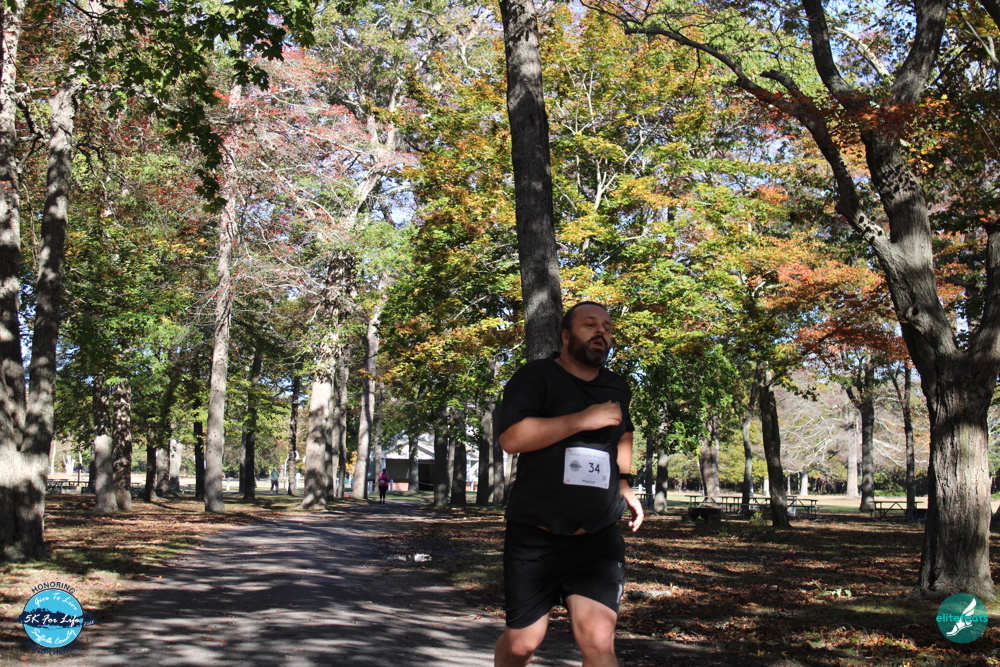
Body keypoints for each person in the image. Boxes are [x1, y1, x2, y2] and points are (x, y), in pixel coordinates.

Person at [494, 302, 643, 667]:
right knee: (522, 645)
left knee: (598, 641)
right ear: (565, 335)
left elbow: (624, 431)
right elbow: (512, 438)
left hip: (597, 536)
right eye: (590, 324)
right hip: (536, 534)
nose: (601, 331)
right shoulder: (536, 377)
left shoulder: (617, 386)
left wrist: (624, 482)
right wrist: (582, 419)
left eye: (607, 327)